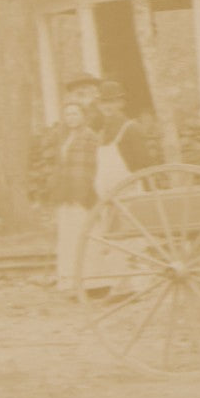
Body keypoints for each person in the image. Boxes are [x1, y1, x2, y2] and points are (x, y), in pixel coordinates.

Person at [49, 101, 99, 293]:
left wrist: (84, 193)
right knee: (68, 238)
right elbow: (61, 167)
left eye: (75, 114)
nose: (71, 118)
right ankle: (70, 281)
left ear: (83, 116)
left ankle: (89, 281)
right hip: (66, 193)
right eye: (68, 114)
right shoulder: (65, 138)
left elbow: (91, 167)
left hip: (82, 194)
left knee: (84, 236)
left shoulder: (90, 136)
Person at [94, 80, 151, 193]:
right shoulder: (102, 132)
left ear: (121, 103)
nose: (107, 106)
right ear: (99, 105)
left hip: (130, 192)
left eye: (112, 102)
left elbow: (144, 166)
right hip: (107, 196)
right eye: (103, 102)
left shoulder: (131, 128)